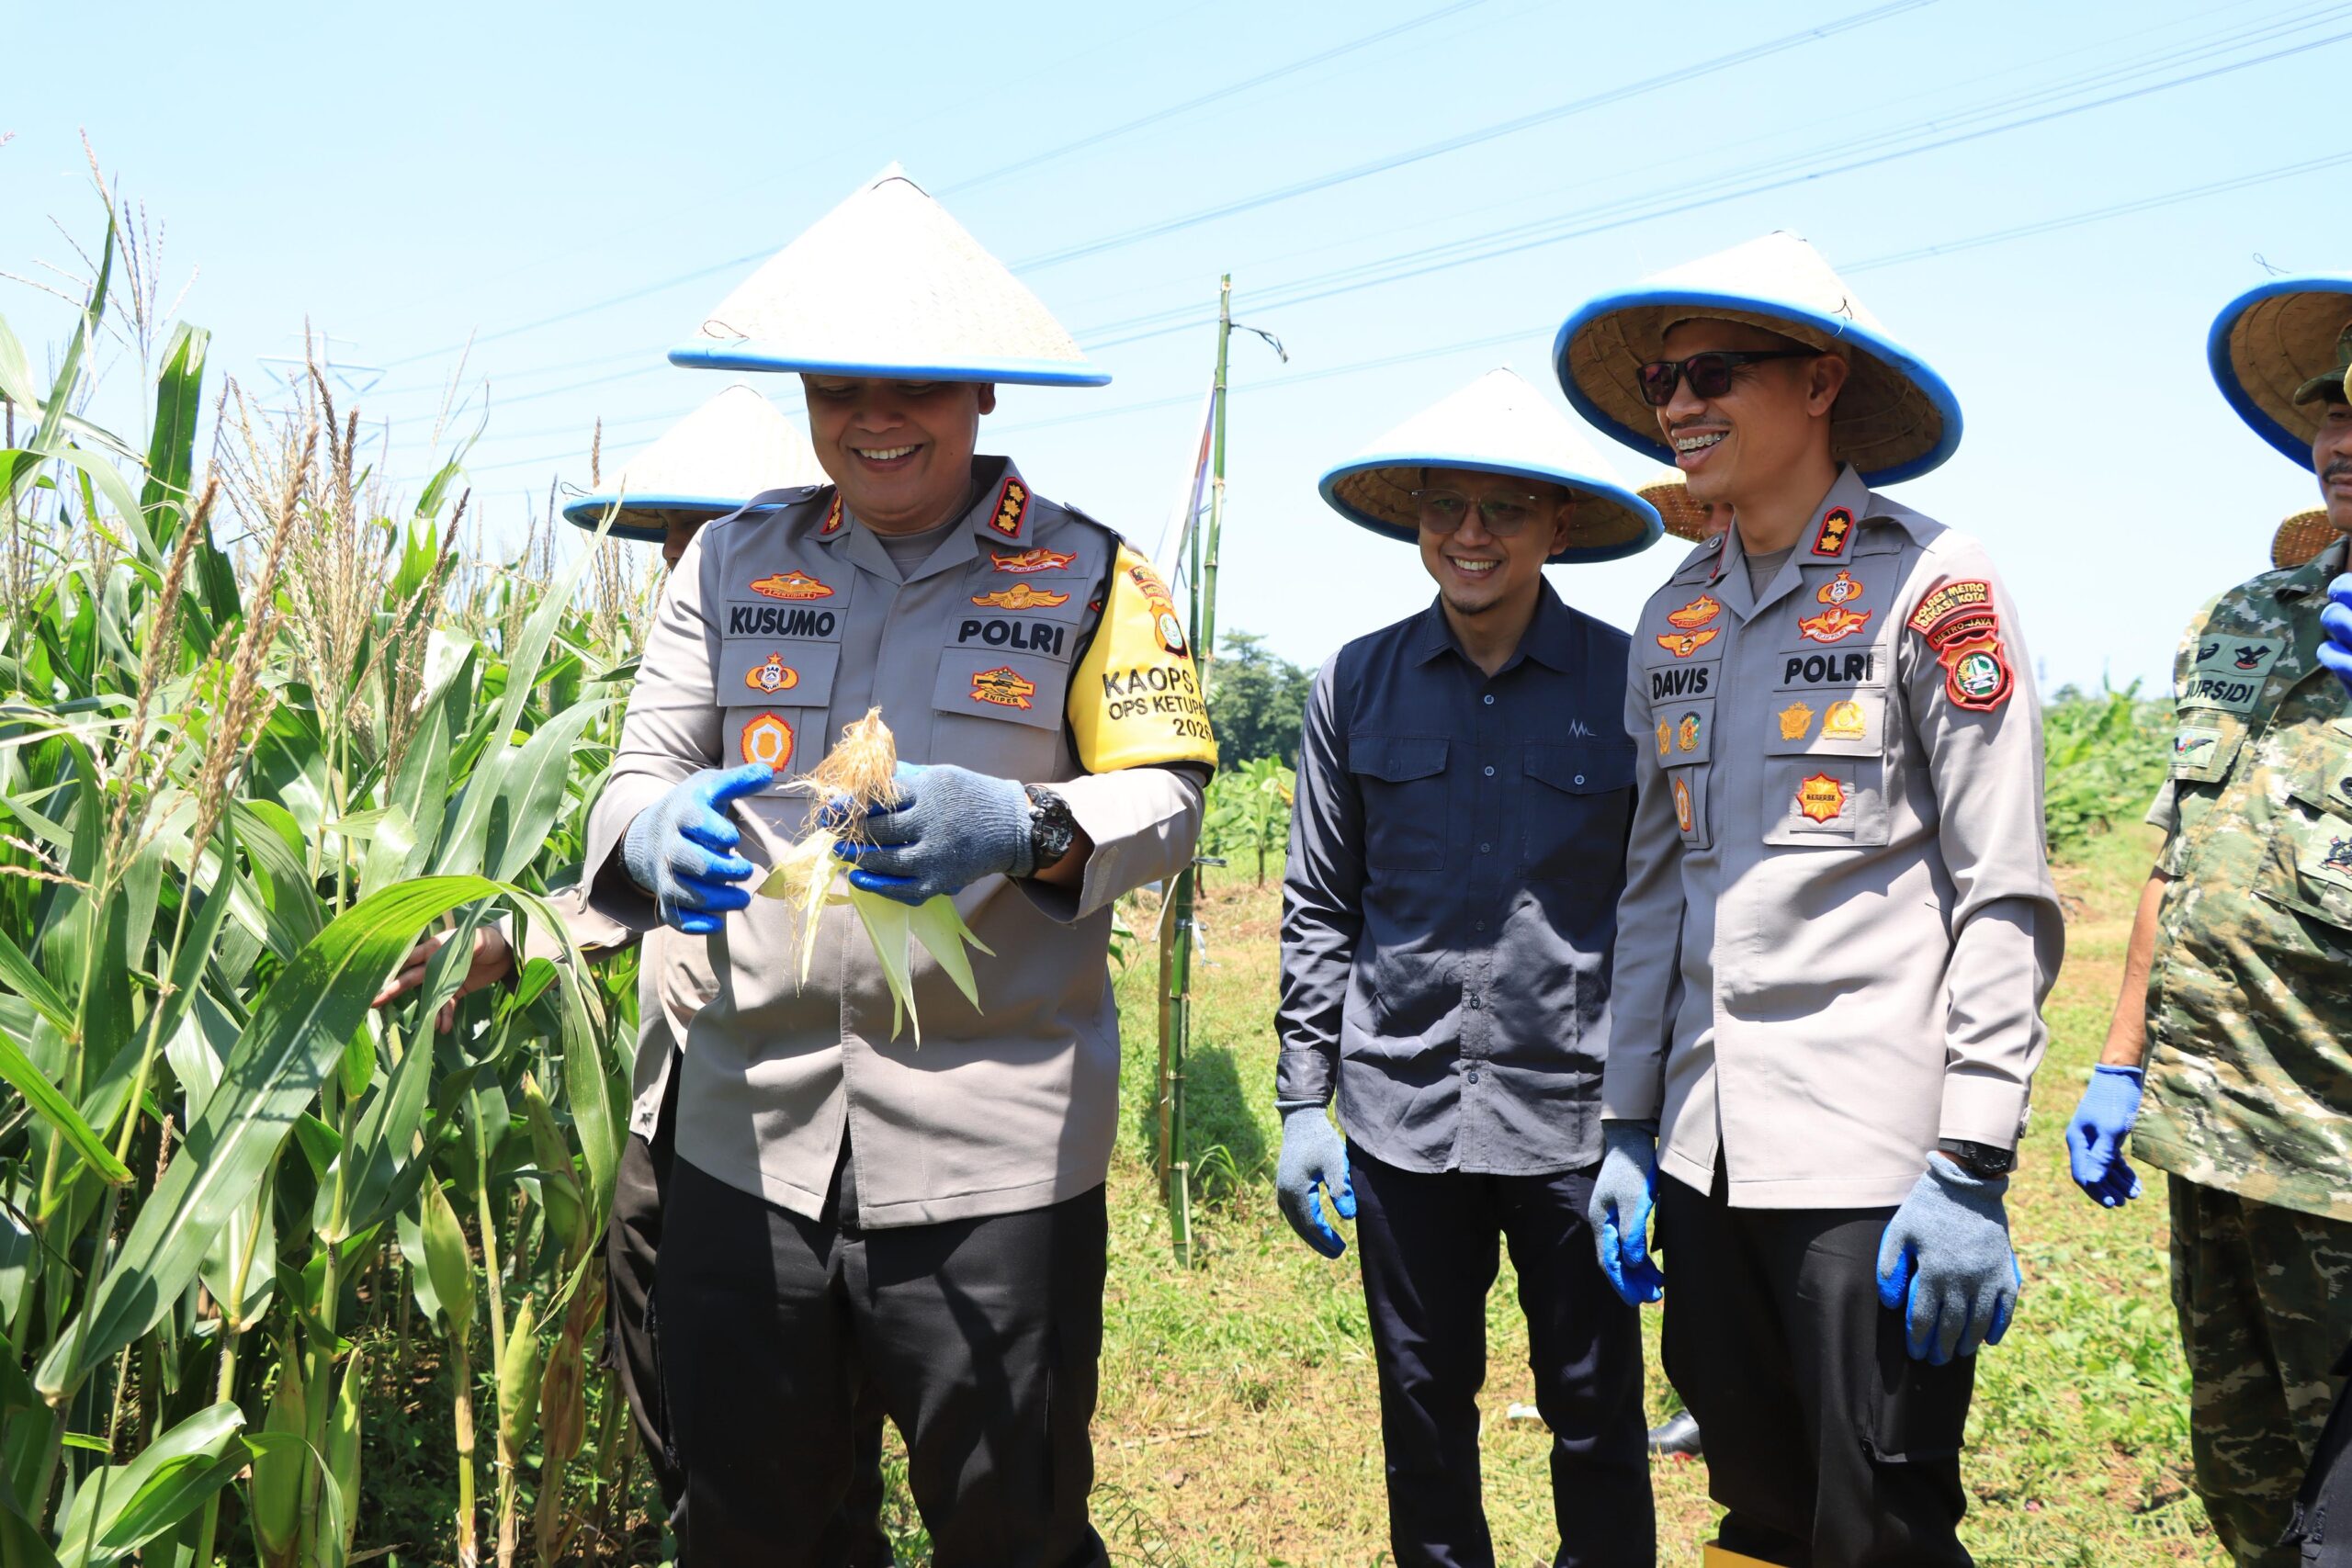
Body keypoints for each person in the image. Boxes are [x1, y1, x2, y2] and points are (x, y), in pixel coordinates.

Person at [582, 164, 1215, 1568]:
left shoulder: (1095, 576)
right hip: (746, 1143)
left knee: (1012, 1527)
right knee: (755, 1529)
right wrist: (645, 831)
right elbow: (634, 772)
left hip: (993, 1152)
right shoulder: (728, 566)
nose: (874, 418)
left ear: (981, 393)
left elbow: (1169, 800)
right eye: (838, 386)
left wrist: (1028, 823)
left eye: (915, 385)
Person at [1555, 232, 2063, 1568]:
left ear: (1822, 379)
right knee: (1757, 1505)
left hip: (1870, 1157)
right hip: (1706, 1146)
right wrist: (1623, 1123)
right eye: (1664, 379)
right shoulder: (1674, 613)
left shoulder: (1932, 585)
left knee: (1879, 1520)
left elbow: (2001, 888)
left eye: (1714, 371)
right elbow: (1656, 888)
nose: (1677, 407)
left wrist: (1969, 1163)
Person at [371, 387, 902, 1560]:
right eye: (672, 546)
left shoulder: (840, 721)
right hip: (680, 1113)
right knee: (674, 1379)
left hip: (813, 1137)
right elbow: (634, 886)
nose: (690, 568)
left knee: (808, 1447)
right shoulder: (682, 700)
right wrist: (508, 942)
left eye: (711, 537)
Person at [1276, 367, 1662, 1568]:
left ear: (1558, 525)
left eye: (1505, 508)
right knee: (1422, 1411)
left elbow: (1667, 910)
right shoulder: (1355, 682)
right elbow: (1321, 902)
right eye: (1448, 507)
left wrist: (1653, 1124)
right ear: (1417, 523)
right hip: (1402, 1114)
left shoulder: (1634, 682)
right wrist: (1301, 1101)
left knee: (1597, 1415)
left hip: (1578, 1116)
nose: (1472, 533)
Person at [2066, 276, 2352, 1567]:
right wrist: (2123, 1059)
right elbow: (2178, 846)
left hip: (2338, 1152)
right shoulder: (2246, 616)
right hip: (2211, 1124)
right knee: (2249, 1487)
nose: (2338, 435)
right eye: (2326, 411)